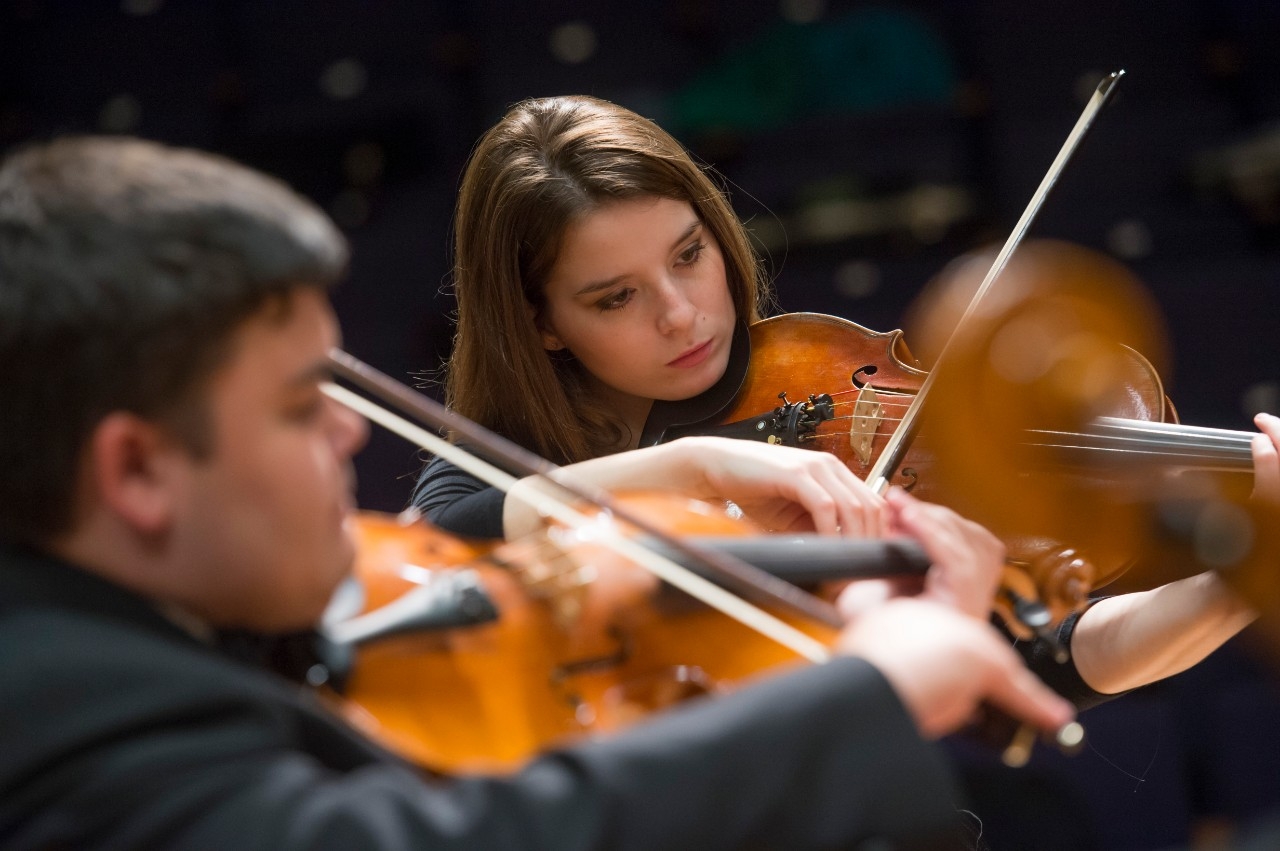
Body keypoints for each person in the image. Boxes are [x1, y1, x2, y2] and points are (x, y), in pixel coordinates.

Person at [0, 135, 1077, 850]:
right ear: (135, 470)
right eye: (297, 405)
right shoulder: (54, 707)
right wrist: (863, 690)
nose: (344, 429)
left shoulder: (156, 635)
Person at [413, 94, 1266, 704]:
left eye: (688, 254)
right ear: (542, 322)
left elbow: (1058, 657)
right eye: (615, 297)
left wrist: (1244, 576)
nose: (681, 314)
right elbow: (447, 539)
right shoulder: (491, 467)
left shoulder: (812, 378)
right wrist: (697, 463)